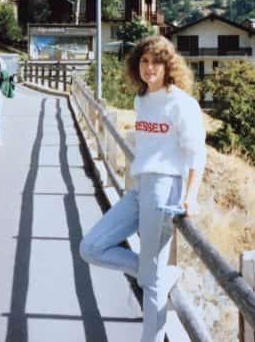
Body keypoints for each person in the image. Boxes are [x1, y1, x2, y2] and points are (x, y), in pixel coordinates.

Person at [79, 35, 206, 342]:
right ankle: (162, 275)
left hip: (166, 188)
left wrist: (191, 197)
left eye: (157, 62)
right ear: (137, 65)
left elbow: (196, 153)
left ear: (168, 66)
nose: (150, 68)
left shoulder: (181, 103)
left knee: (151, 284)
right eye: (145, 61)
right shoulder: (141, 100)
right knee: (91, 248)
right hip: (140, 187)